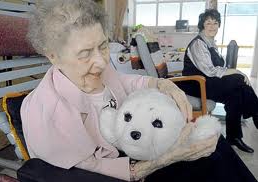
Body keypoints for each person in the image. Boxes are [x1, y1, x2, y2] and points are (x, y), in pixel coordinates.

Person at [20, 1, 257, 181]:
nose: (102, 62)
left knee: (214, 142)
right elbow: (90, 170)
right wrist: (169, 157)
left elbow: (126, 81)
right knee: (209, 160)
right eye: (85, 54)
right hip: (119, 172)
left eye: (103, 46)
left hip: (135, 147)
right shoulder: (49, 112)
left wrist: (161, 84)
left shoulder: (99, 71)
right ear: (53, 56)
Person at [180, 9, 258, 153]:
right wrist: (237, 72)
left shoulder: (211, 43)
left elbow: (219, 68)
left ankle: (233, 137)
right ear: (202, 25)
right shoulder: (198, 43)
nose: (212, 26)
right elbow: (210, 70)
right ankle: (256, 114)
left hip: (209, 83)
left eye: (215, 23)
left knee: (236, 94)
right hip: (196, 84)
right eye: (208, 23)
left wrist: (232, 72)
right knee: (239, 79)